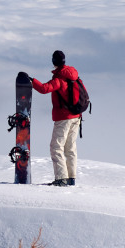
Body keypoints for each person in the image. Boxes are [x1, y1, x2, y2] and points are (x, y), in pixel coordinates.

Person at [27, 50, 82, 187]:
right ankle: (71, 178)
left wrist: (32, 80)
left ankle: (61, 179)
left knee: (56, 147)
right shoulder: (73, 75)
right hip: (77, 116)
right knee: (70, 147)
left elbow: (44, 89)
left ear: (54, 61)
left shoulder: (59, 78)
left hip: (64, 118)